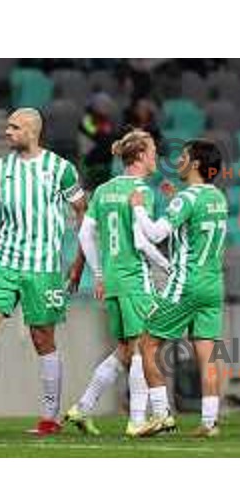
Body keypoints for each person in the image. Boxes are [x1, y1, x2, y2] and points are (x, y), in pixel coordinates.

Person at [0, 107, 87, 437]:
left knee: (42, 339)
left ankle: (50, 418)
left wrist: (78, 261)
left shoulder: (60, 169)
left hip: (43, 268)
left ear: (32, 132)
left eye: (14, 127)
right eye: (7, 126)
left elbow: (82, 211)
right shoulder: (0, 169)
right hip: (5, 263)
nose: (7, 132)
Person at [65, 130, 171, 437]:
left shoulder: (103, 190)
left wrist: (97, 273)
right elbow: (142, 238)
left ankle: (82, 407)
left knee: (125, 349)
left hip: (111, 279)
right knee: (143, 349)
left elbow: (85, 234)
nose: (155, 158)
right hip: (135, 277)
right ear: (138, 156)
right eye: (151, 152)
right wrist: (166, 265)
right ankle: (137, 419)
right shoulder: (143, 191)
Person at [130, 139, 227, 437]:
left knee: (146, 345)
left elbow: (156, 232)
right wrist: (175, 199)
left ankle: (161, 416)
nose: (178, 161)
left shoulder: (187, 199)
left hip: (186, 284)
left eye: (184, 156)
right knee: (207, 354)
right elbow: (194, 226)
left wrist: (138, 209)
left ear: (196, 164)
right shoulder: (219, 197)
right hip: (213, 286)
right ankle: (209, 422)